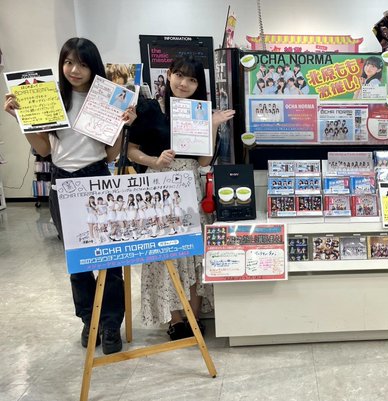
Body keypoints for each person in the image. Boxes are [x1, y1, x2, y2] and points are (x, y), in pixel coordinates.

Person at [3, 37, 136, 354]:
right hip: (62, 181)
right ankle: (89, 321)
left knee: (109, 259)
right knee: (77, 262)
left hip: (96, 179)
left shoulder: (106, 99)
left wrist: (122, 126)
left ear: (94, 67)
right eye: (68, 62)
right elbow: (44, 150)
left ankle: (111, 324)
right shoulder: (51, 98)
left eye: (83, 64)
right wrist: (22, 119)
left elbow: (109, 155)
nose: (74, 70)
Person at [127, 56, 235, 340]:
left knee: (193, 253)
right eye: (179, 75)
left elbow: (203, 161)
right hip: (158, 188)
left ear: (199, 85)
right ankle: (175, 319)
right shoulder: (149, 108)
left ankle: (193, 317)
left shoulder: (199, 112)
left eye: (192, 79)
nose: (184, 83)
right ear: (169, 74)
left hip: (190, 187)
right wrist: (153, 160)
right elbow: (131, 150)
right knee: (165, 254)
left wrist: (212, 125)